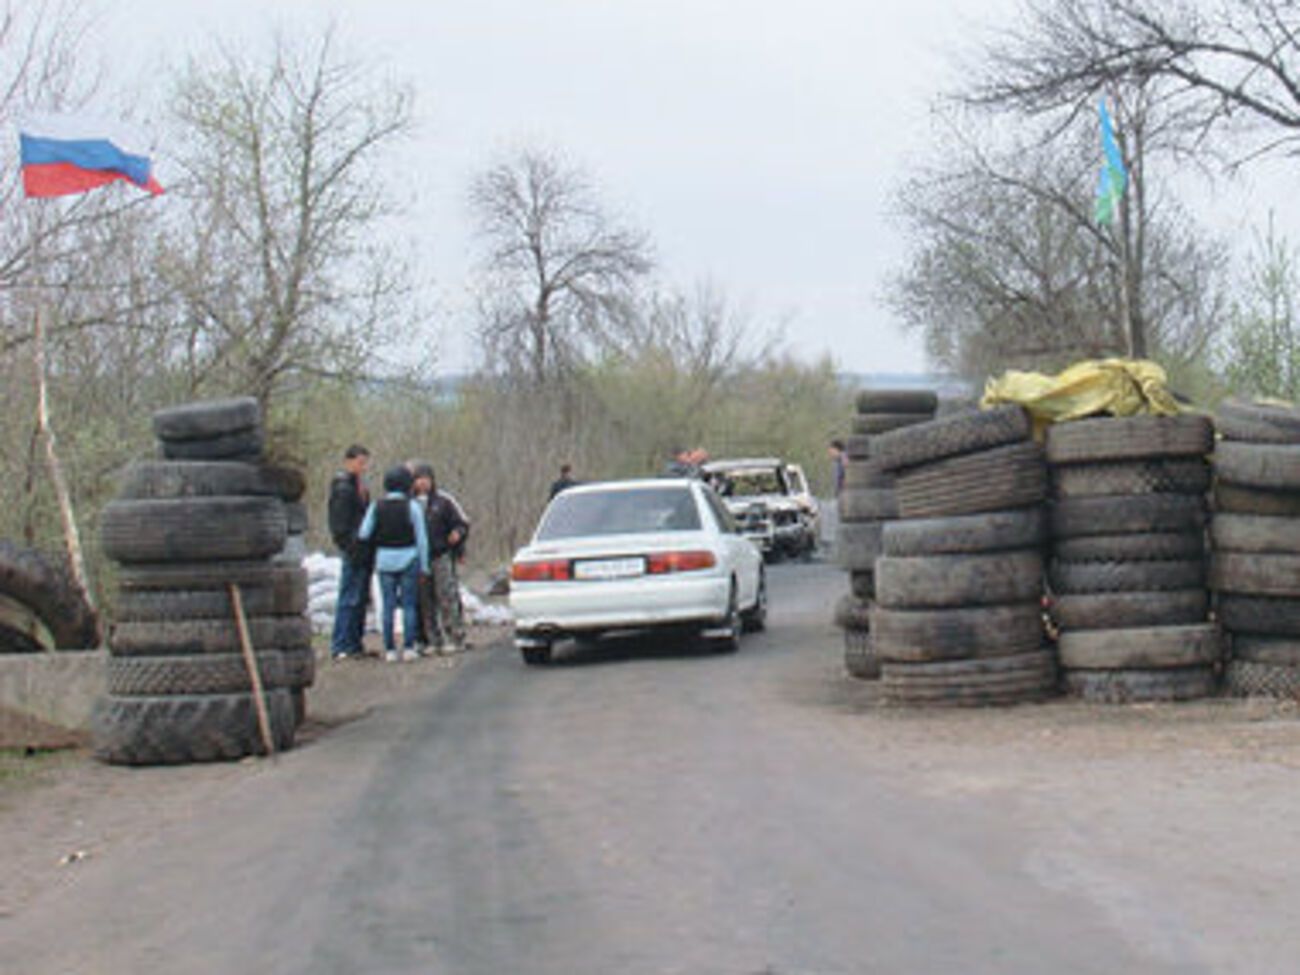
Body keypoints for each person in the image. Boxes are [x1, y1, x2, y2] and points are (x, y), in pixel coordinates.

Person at [357, 465, 429, 663]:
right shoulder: (412, 506)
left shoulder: (376, 506)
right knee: (408, 605)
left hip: (384, 560)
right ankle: (408, 647)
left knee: (387, 606)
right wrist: (424, 566)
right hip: (409, 558)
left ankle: (389, 649)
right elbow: (422, 539)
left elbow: (364, 533)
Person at [328, 444, 373, 660]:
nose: (363, 467)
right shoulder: (343, 489)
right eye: (360, 462)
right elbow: (339, 525)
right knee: (349, 598)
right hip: (353, 549)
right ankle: (341, 644)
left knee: (361, 599)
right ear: (349, 462)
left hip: (364, 550)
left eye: (365, 463)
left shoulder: (361, 488)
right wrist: (351, 545)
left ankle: (355, 643)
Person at [422, 466, 471, 654]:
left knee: (447, 596)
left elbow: (462, 523)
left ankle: (455, 637)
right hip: (420, 558)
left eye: (426, 478)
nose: (422, 482)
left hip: (442, 554)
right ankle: (433, 640)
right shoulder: (411, 502)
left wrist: (458, 535)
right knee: (426, 601)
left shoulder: (443, 501)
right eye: (419, 479)